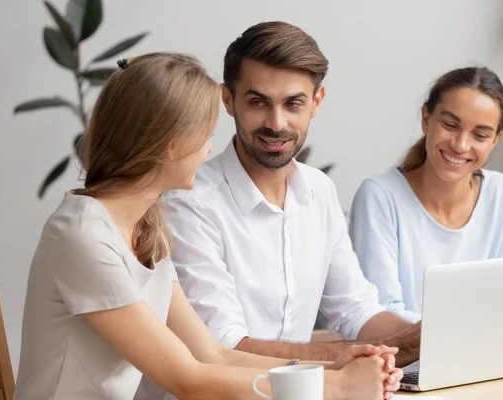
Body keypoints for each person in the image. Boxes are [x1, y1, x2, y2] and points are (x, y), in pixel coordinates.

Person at [14, 52, 400, 400]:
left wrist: (333, 369)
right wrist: (335, 388)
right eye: (204, 134)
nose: (209, 149)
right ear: (170, 143)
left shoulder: (146, 226)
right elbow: (187, 379)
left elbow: (211, 354)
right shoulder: (82, 234)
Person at [161, 21, 420, 376]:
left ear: (316, 102)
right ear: (228, 100)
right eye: (258, 102)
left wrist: (443, 332)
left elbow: (357, 310)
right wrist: (404, 346)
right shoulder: (190, 202)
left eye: (293, 103)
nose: (277, 123)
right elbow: (224, 347)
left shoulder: (319, 191)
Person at [348, 66, 503, 348]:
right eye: (450, 125)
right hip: (402, 364)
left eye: (480, 135)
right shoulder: (379, 195)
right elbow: (379, 312)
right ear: (426, 119)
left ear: (496, 140)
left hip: (477, 359)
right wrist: (484, 328)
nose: (460, 145)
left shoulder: (500, 193)